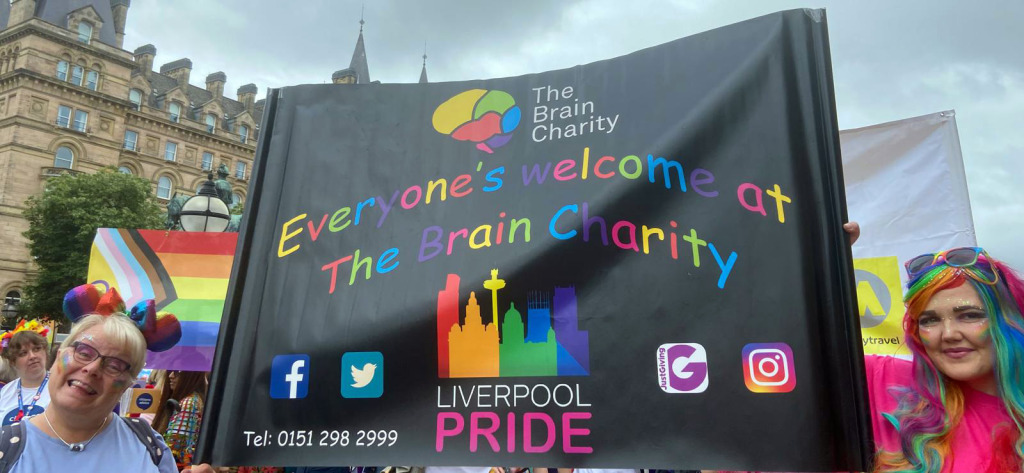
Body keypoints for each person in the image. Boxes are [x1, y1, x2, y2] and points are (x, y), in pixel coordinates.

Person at [4, 283, 183, 472]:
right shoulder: (5, 448)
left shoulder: (149, 446)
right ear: (58, 356)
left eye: (115, 365)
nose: (92, 369)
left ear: (127, 386)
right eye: (83, 352)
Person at [153, 369, 207, 468]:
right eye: (170, 371)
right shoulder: (194, 399)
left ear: (191, 375)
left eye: (178, 371)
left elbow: (174, 449)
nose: (171, 375)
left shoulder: (188, 402)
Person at [0, 320, 51, 425]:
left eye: (37, 349)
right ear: (13, 361)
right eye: (23, 353)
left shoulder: (60, 385)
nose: (32, 356)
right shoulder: (6, 392)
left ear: (45, 352)